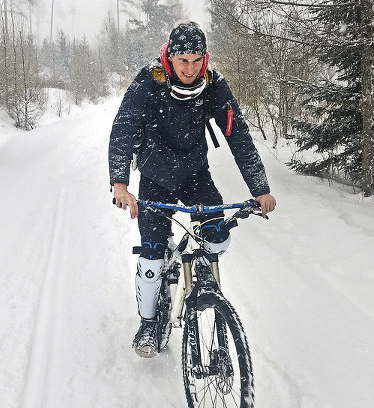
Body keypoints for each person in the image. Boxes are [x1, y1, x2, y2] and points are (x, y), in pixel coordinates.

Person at [109, 21, 276, 358]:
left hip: (195, 175)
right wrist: (120, 183)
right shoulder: (150, 80)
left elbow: (238, 135)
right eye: (182, 60)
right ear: (170, 57)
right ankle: (148, 322)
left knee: (218, 237)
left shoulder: (213, 84)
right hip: (156, 179)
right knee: (153, 255)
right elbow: (124, 127)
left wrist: (260, 189)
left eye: (195, 60)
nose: (189, 68)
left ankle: (205, 288)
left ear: (205, 58)